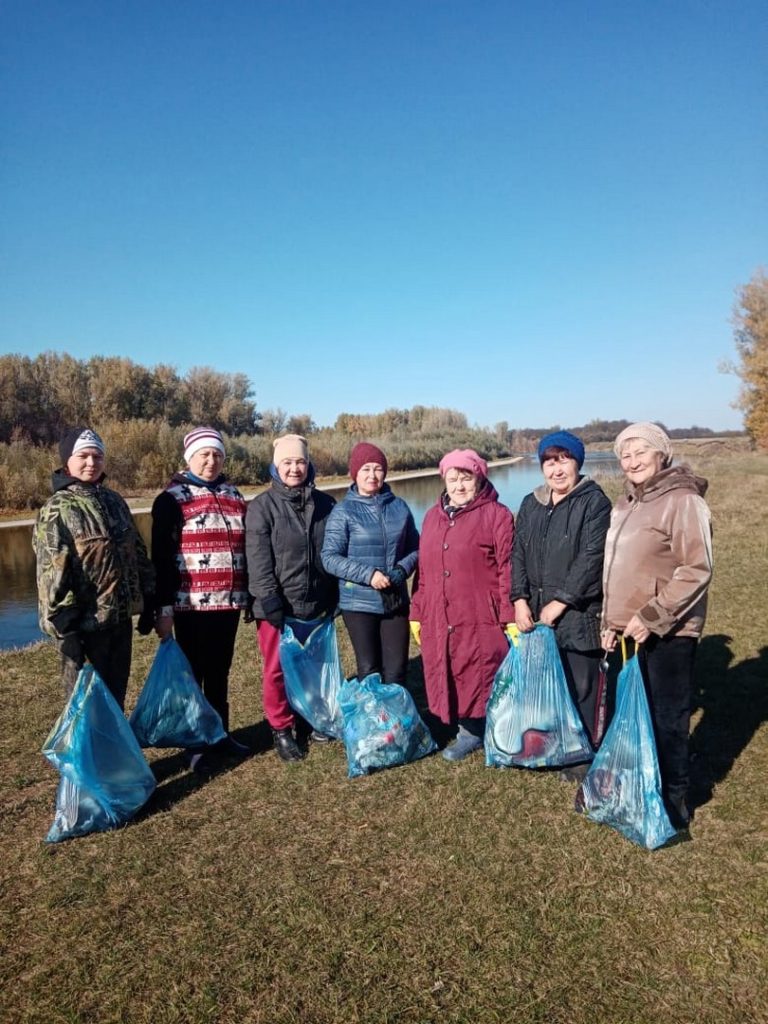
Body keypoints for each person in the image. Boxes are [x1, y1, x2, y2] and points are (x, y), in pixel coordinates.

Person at [601, 422, 713, 829]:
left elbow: (697, 569)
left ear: (661, 454)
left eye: (639, 453)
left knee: (668, 717)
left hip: (669, 631)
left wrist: (652, 616)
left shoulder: (682, 501)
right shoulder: (626, 503)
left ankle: (673, 801)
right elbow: (616, 570)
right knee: (632, 711)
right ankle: (637, 786)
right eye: (625, 455)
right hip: (626, 630)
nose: (631, 462)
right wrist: (609, 621)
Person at [512, 431, 612, 779]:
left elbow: (592, 559)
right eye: (549, 461)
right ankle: (555, 743)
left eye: (564, 460)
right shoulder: (531, 503)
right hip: (537, 611)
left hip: (579, 614)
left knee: (582, 685)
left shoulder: (594, 502)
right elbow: (518, 553)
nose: (556, 470)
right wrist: (519, 598)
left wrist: (561, 602)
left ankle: (585, 752)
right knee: (551, 682)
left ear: (577, 463)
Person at [33, 427, 155, 710]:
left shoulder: (114, 501)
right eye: (84, 456)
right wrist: (67, 628)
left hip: (119, 623)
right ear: (68, 462)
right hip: (83, 630)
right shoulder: (57, 508)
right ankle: (83, 756)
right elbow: (51, 572)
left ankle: (112, 754)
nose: (91, 462)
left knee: (114, 703)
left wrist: (149, 598)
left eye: (97, 456)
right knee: (85, 710)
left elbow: (137, 553)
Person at [149, 426, 249, 768]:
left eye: (217, 454)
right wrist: (162, 609)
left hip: (229, 601)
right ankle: (195, 744)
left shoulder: (234, 494)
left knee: (220, 670)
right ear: (189, 458)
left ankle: (219, 734)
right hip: (189, 604)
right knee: (192, 673)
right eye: (204, 454)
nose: (211, 460)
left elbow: (245, 546)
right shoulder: (171, 499)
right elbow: (160, 559)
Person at [410, 449, 515, 761]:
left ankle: (477, 730)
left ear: (479, 478)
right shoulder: (432, 517)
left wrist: (508, 614)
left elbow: (507, 568)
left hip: (481, 611)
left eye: (465, 478)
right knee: (448, 666)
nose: (458, 486)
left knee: (478, 669)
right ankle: (457, 722)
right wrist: (417, 611)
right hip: (438, 611)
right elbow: (424, 570)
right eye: (452, 479)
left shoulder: (497, 515)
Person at [245, 434, 338, 762]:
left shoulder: (327, 505)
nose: (294, 469)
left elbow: (334, 551)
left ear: (308, 464)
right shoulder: (261, 507)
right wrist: (269, 600)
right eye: (287, 463)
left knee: (312, 665)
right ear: (276, 466)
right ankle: (281, 729)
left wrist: (336, 591)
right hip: (278, 607)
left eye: (300, 462)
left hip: (317, 603)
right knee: (277, 669)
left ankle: (310, 717)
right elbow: (258, 560)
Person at [321, 442, 419, 688]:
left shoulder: (400, 507)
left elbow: (416, 548)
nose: (372, 475)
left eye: (378, 469)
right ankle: (373, 725)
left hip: (394, 600)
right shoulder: (343, 511)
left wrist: (401, 570)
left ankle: (397, 724)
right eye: (366, 469)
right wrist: (369, 575)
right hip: (359, 603)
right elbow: (330, 557)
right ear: (355, 473)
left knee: (396, 671)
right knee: (369, 670)